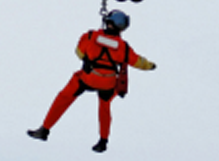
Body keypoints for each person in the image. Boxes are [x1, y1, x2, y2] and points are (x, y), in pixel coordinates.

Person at [27, 10, 156, 153]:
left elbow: (79, 51)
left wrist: (88, 59)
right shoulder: (123, 47)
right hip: (108, 84)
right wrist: (151, 66)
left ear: (107, 21)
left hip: (87, 78)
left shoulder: (91, 36)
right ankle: (103, 141)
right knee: (104, 108)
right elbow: (138, 62)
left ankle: (44, 130)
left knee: (64, 97)